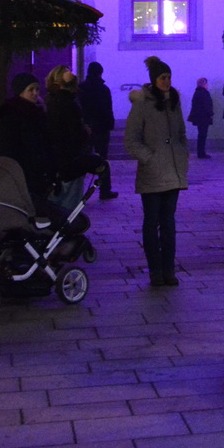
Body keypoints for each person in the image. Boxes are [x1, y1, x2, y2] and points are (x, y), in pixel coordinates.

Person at [125, 55, 190, 287]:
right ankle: (155, 270)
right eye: (163, 77)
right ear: (154, 79)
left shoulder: (174, 100)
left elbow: (181, 131)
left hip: (173, 171)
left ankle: (169, 269)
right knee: (152, 222)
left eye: (169, 77)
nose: (167, 81)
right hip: (152, 173)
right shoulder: (142, 103)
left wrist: (182, 152)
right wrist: (150, 158)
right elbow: (131, 139)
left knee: (169, 223)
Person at [0, 72, 52, 204]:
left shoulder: (35, 111)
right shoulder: (14, 113)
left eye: (37, 89)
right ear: (20, 91)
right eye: (31, 90)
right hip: (24, 167)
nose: (35, 93)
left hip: (35, 166)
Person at [41, 65, 92, 210]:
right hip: (70, 160)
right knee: (69, 203)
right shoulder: (68, 104)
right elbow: (75, 134)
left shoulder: (49, 101)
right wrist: (85, 133)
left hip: (55, 160)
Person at [79, 62, 118, 199]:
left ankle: (78, 191)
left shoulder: (81, 88)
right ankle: (105, 189)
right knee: (102, 159)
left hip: (86, 127)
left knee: (82, 159)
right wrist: (109, 125)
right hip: (101, 128)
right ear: (100, 73)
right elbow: (108, 109)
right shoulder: (104, 89)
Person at [188, 76, 214, 159]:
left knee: (201, 135)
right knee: (203, 135)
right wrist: (211, 114)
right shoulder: (204, 93)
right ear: (204, 84)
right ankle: (201, 153)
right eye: (206, 83)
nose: (207, 85)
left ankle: (200, 152)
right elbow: (207, 105)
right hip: (204, 117)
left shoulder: (197, 93)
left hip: (199, 117)